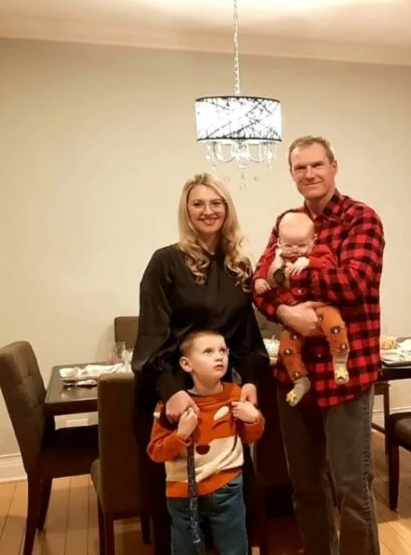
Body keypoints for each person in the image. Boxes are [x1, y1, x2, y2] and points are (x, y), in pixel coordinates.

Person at [253, 135, 384, 555]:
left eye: (316, 165)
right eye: (299, 168)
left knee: (351, 488)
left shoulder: (361, 219)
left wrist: (289, 278)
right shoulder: (286, 221)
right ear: (292, 174)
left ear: (333, 166)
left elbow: (354, 283)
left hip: (349, 372)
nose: (309, 174)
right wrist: (287, 313)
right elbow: (256, 286)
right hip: (296, 375)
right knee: (306, 488)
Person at [132, 172, 271, 554]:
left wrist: (251, 378)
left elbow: (245, 335)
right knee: (179, 503)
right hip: (175, 392)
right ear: (186, 210)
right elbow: (151, 334)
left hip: (222, 393)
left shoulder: (238, 265)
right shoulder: (166, 262)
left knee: (229, 494)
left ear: (227, 209)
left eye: (216, 203)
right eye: (198, 203)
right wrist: (170, 391)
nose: (207, 211)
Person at [147, 329, 265, 555]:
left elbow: (250, 437)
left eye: (223, 350)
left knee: (235, 549)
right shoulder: (171, 407)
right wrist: (180, 436)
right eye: (208, 351)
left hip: (228, 488)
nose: (219, 356)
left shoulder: (235, 395)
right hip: (182, 494)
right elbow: (156, 452)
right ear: (186, 364)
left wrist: (254, 419)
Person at [253, 210, 351, 406]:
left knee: (335, 325)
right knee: (287, 348)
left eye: (301, 245)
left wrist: (309, 261)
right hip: (293, 313)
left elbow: (330, 265)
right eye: (288, 245)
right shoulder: (275, 256)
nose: (295, 250)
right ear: (279, 242)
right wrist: (260, 280)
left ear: (313, 241)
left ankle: (340, 362)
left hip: (321, 306)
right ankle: (300, 380)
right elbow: (260, 272)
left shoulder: (319, 252)